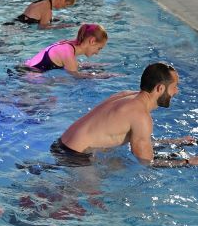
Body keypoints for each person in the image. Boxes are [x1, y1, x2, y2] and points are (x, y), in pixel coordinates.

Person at [52, 62, 197, 167]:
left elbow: (140, 140)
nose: (176, 92)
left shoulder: (126, 95)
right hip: (75, 157)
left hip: (61, 145)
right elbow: (146, 162)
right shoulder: (141, 116)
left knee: (120, 166)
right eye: (174, 87)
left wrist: (175, 142)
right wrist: (187, 162)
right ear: (160, 88)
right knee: (96, 203)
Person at [24, 23, 114, 78]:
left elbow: (75, 65)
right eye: (99, 48)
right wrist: (105, 76)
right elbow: (76, 76)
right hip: (30, 76)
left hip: (24, 70)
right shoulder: (68, 54)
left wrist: (99, 66)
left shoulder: (69, 45)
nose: (97, 53)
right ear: (92, 41)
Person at [10, 0, 77, 29]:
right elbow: (43, 28)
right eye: (66, 4)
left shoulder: (46, 0)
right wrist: (62, 26)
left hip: (13, 25)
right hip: (15, 31)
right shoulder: (46, 9)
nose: (65, 7)